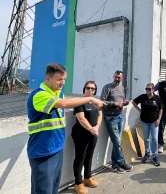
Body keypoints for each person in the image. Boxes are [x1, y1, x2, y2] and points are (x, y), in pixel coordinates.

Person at [27, 63, 105, 194]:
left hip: (57, 148)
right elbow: (63, 104)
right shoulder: (39, 95)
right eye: (59, 79)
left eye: (64, 79)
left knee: (53, 188)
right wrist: (90, 99)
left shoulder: (59, 94)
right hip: (43, 151)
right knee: (43, 190)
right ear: (48, 79)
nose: (62, 83)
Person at [71, 81, 102, 194]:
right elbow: (81, 118)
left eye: (93, 89)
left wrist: (97, 127)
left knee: (89, 155)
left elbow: (100, 114)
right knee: (80, 157)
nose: (90, 90)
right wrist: (92, 129)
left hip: (93, 133)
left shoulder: (95, 102)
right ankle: (78, 183)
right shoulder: (79, 102)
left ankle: (87, 178)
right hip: (81, 133)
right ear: (84, 89)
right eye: (88, 88)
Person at [100, 70, 133, 174]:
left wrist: (124, 103)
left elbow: (121, 101)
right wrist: (115, 104)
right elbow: (102, 101)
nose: (117, 79)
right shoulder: (107, 87)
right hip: (111, 118)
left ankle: (114, 165)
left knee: (117, 142)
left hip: (120, 116)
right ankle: (121, 162)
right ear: (113, 76)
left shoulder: (122, 88)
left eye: (119, 77)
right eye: (116, 77)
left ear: (122, 78)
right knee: (117, 141)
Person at [132, 83, 163, 166]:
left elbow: (160, 109)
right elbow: (134, 102)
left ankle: (155, 156)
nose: (147, 90)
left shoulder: (157, 98)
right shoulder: (142, 97)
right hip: (144, 121)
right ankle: (147, 154)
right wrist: (139, 110)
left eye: (149, 89)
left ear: (153, 90)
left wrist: (159, 119)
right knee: (146, 139)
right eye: (146, 89)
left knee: (154, 139)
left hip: (154, 121)